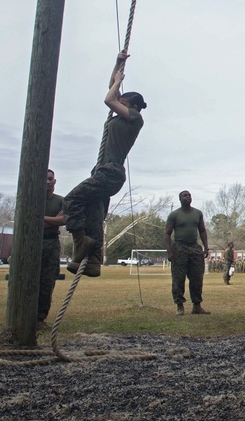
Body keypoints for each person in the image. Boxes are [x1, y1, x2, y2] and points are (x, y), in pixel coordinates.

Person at [63, 52, 145, 278]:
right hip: (103, 171)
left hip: (111, 173)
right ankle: (92, 261)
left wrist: (119, 82)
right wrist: (119, 63)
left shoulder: (135, 119)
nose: (119, 103)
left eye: (124, 102)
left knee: (71, 199)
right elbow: (112, 90)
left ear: (134, 106)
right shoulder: (120, 117)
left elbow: (108, 99)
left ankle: (81, 242)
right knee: (93, 216)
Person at [165, 190, 211, 316]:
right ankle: (180, 306)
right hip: (179, 247)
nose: (188, 197)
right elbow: (167, 233)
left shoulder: (197, 213)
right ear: (180, 199)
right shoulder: (174, 215)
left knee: (197, 278)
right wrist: (169, 252)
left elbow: (202, 231)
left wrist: (206, 247)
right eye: (185, 196)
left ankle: (197, 306)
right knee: (178, 278)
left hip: (195, 248)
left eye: (189, 195)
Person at [38, 169, 65, 329]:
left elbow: (63, 220)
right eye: (44, 179)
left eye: (50, 179)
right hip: (32, 243)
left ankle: (40, 319)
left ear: (54, 181)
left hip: (51, 244)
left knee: (47, 282)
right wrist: (53, 220)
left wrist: (40, 218)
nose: (47, 182)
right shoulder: (32, 199)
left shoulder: (61, 201)